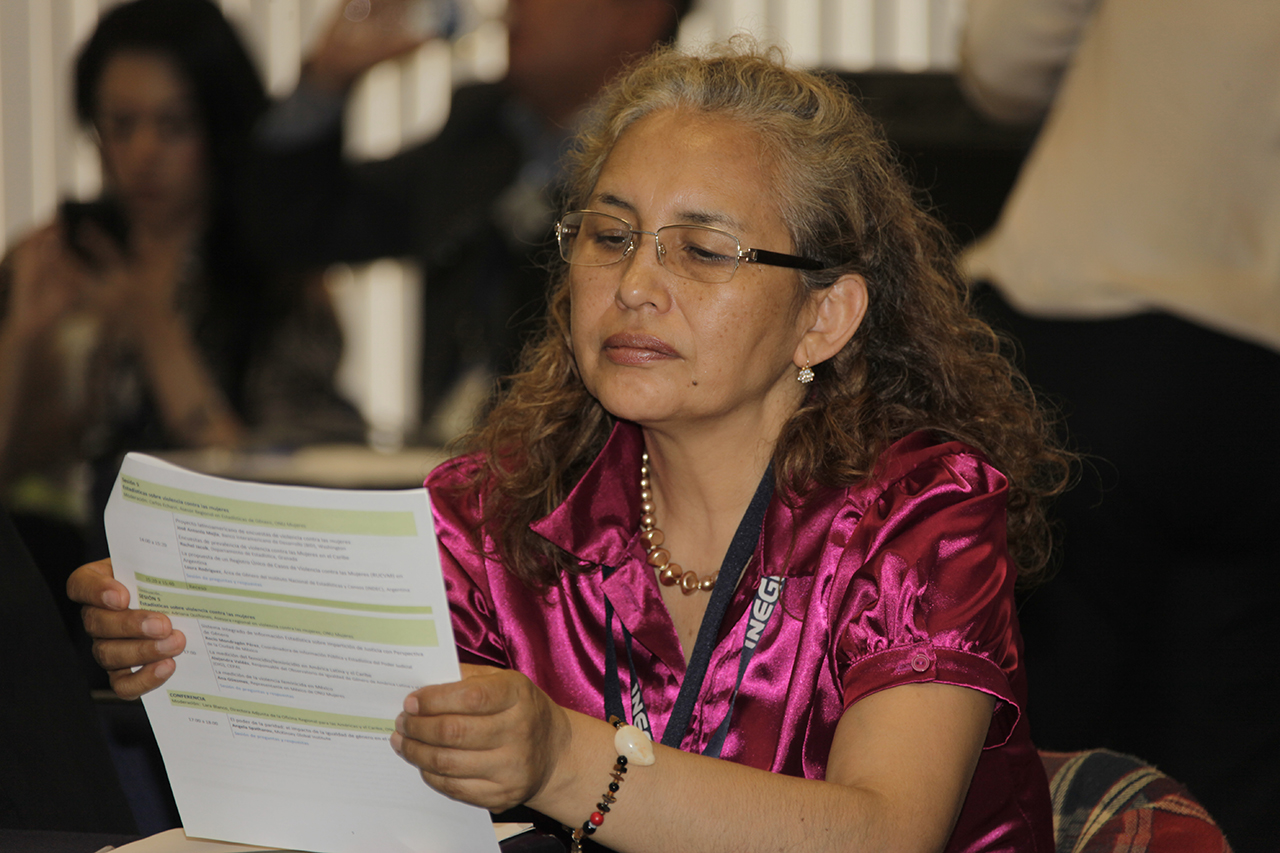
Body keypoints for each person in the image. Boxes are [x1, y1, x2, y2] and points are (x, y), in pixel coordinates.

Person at [70, 41, 1074, 851]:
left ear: (825, 316)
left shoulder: (923, 511)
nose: (635, 284)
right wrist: (196, 641)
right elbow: (364, 753)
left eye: (701, 249)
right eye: (610, 235)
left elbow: (884, 833)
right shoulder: (497, 511)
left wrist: (563, 759)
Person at [959, 2, 1280, 848]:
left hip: (1091, 332)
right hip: (1263, 373)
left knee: (1034, 749)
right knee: (1235, 766)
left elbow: (1000, 64)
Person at [0, 0, 365, 569]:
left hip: (205, 574)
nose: (143, 153)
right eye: (120, 125)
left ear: (219, 129)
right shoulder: (56, 260)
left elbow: (282, 495)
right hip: (48, 570)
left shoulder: (276, 275)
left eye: (173, 126)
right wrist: (23, 337)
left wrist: (153, 329)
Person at [245, 0, 692, 442]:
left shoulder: (682, 160)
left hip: (589, 461)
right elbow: (299, 228)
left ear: (636, 14)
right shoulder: (483, 126)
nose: (512, 6)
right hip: (455, 459)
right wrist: (326, 81)